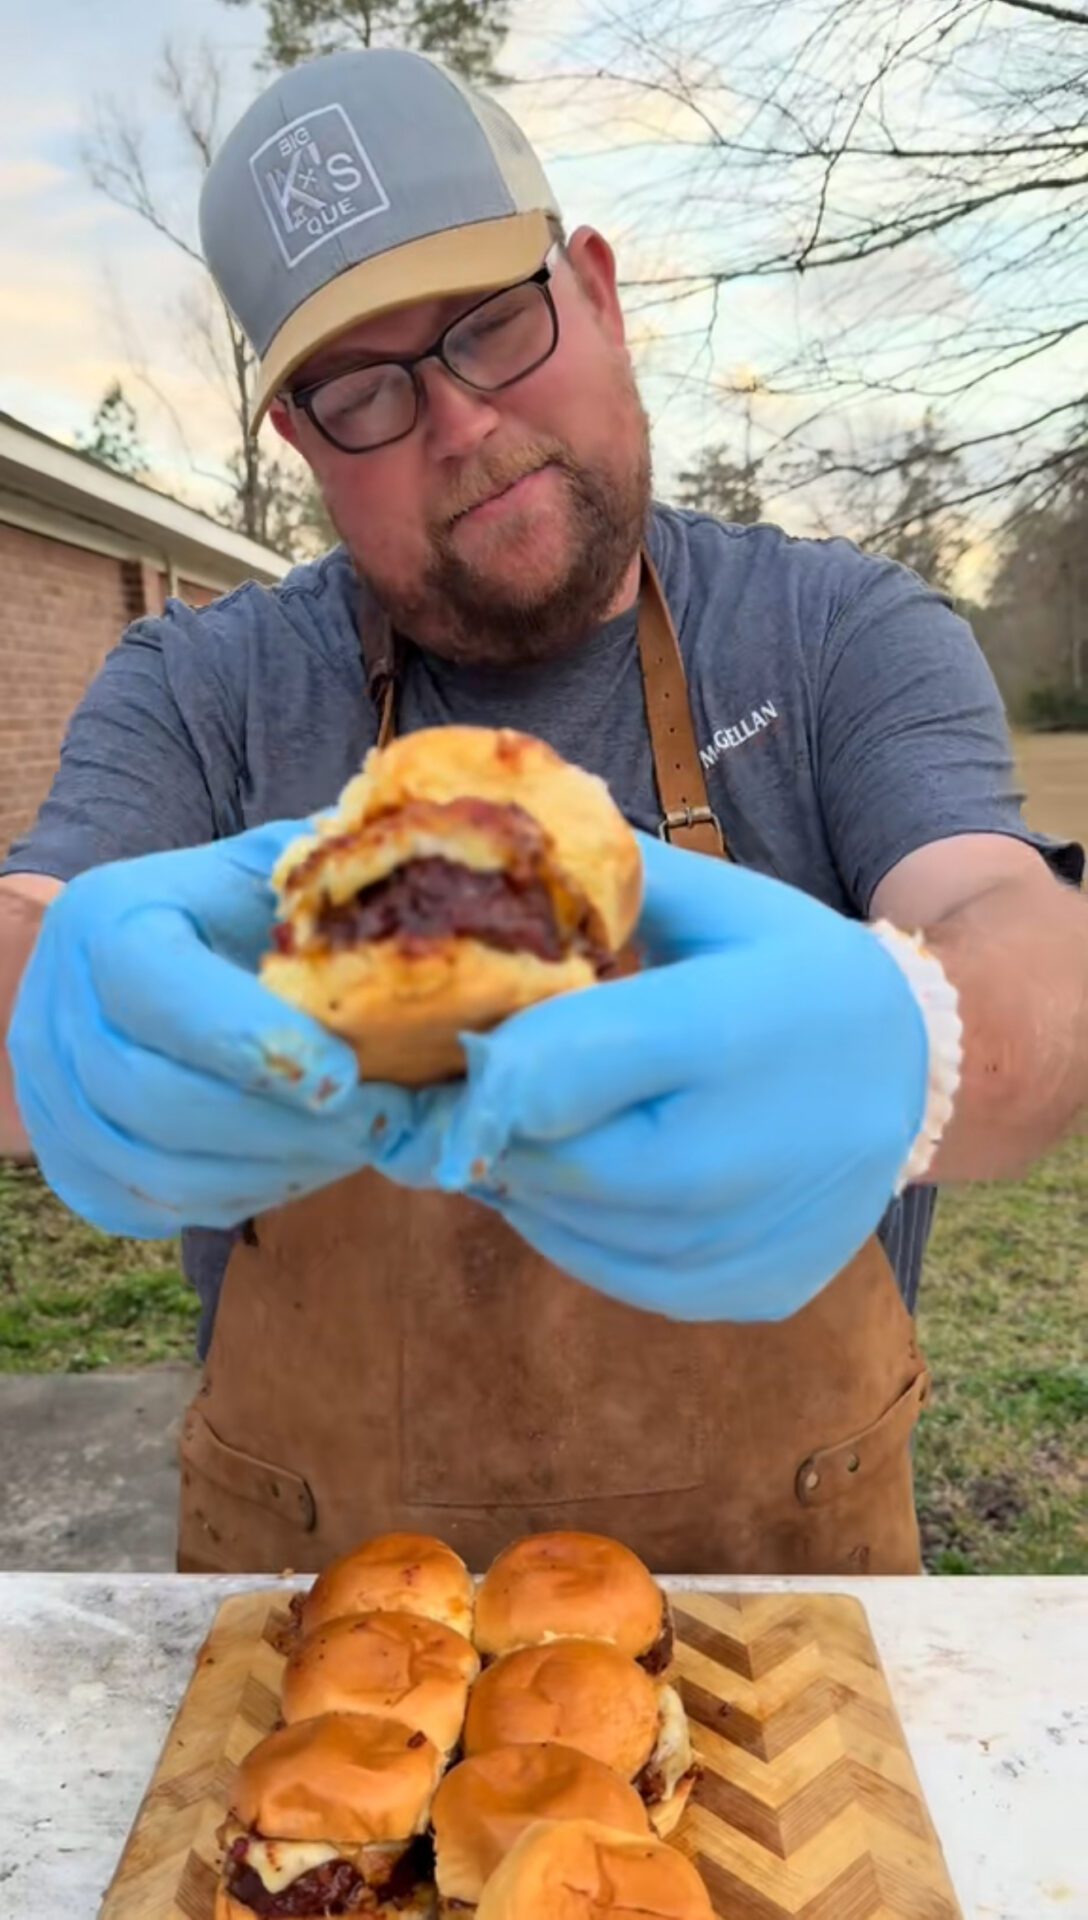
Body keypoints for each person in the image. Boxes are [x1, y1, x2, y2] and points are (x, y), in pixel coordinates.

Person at [1, 49, 1084, 1578]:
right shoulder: (201, 687)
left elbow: (1026, 936)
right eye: (363, 389)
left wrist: (930, 1030)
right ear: (304, 447)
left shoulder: (837, 633)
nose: (457, 420)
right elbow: (27, 938)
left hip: (777, 1621)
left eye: (494, 323)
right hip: (317, 1627)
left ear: (596, 287)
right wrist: (45, 1024)